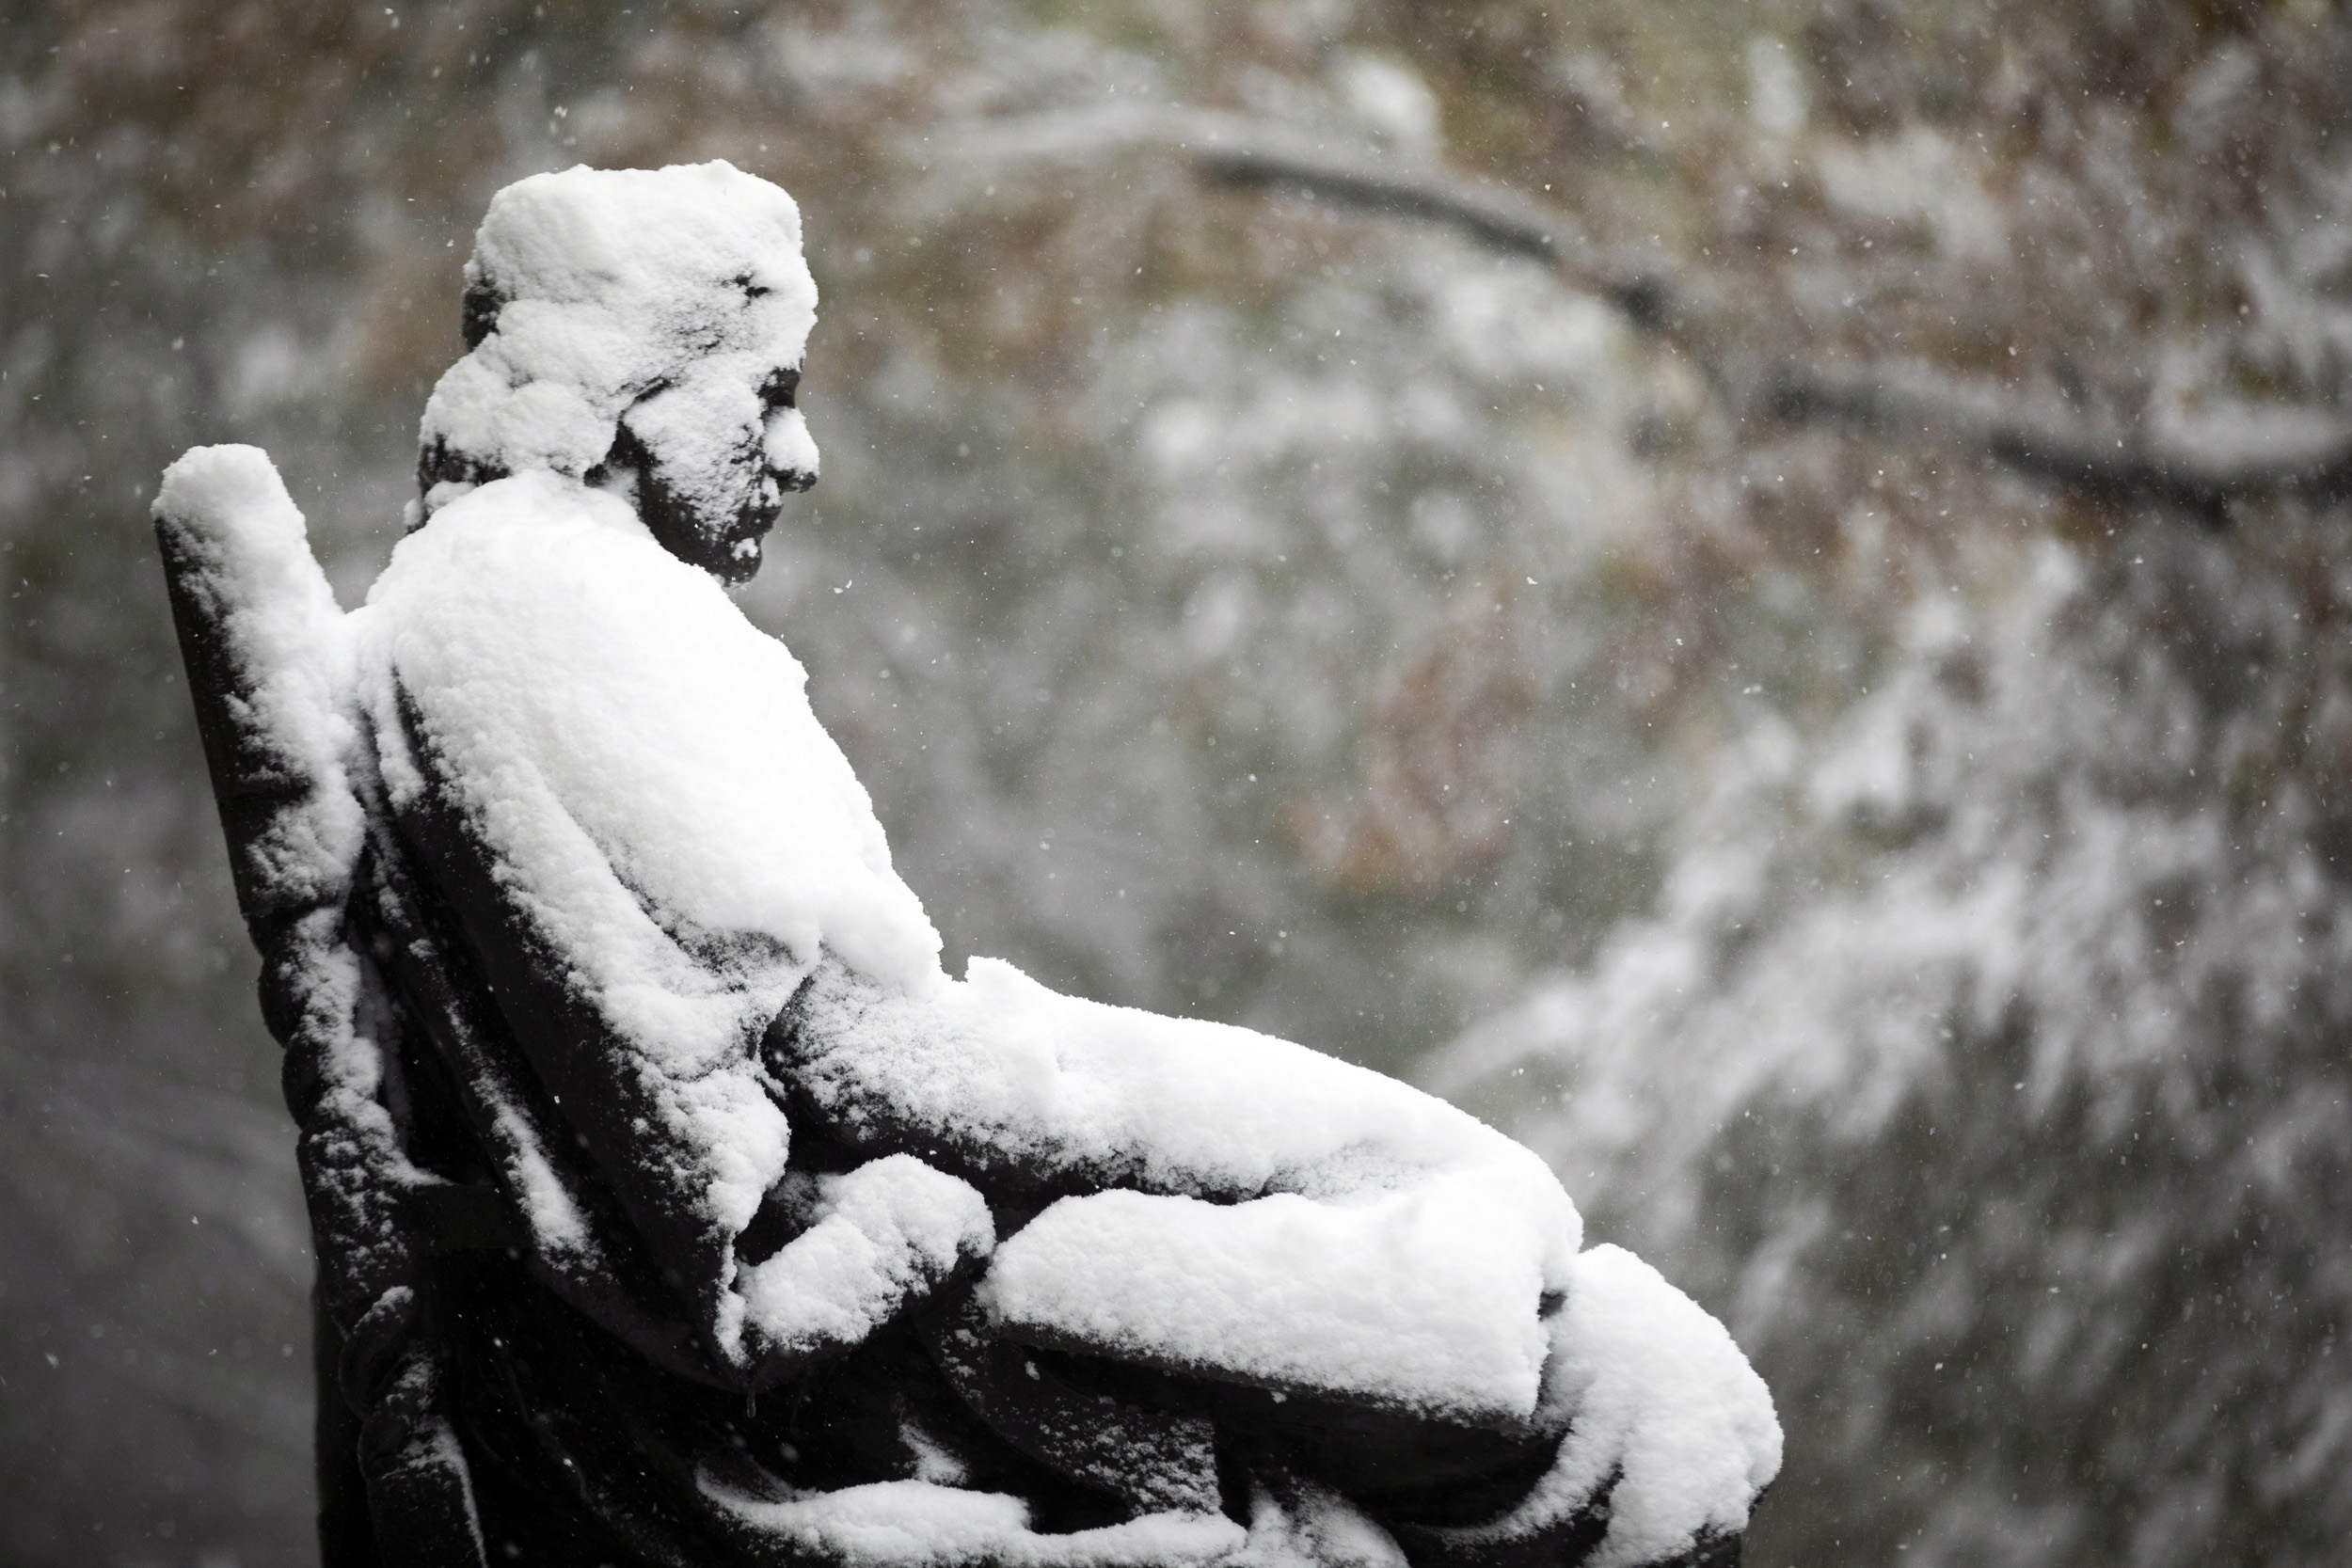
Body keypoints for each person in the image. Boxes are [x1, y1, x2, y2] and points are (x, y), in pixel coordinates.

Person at [155, 162, 1777, 1568]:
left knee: (1527, 1337)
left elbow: (847, 1055)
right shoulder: (554, 619)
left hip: (821, 1349)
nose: (800, 458)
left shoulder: (524, 610)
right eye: (767, 394)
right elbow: (870, 1072)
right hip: (822, 1417)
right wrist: (1287, 1144)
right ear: (635, 397)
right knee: (1580, 1385)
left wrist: (1245, 1133)